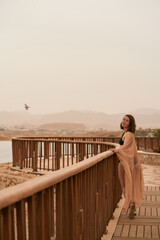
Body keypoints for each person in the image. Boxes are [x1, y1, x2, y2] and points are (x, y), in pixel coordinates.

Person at [109, 114, 144, 219]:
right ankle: (133, 207)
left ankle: (131, 203)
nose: (124, 121)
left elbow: (126, 147)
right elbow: (129, 148)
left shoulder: (128, 134)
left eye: (127, 120)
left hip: (131, 164)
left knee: (127, 185)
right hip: (134, 162)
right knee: (131, 184)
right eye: (123, 119)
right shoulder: (128, 133)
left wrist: (117, 150)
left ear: (130, 123)